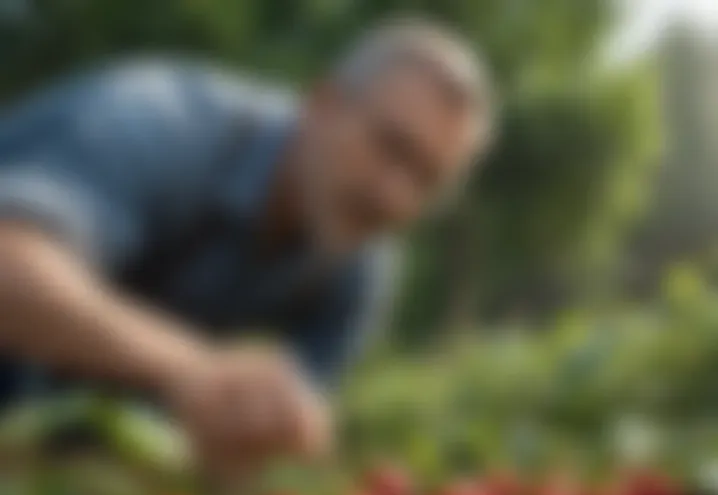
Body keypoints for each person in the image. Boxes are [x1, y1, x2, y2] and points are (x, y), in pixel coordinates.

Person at [0, 18, 494, 471]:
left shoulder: (358, 264)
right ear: (323, 104)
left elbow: (265, 451)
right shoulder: (162, 121)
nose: (394, 195)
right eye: (390, 146)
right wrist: (193, 367)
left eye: (428, 181)